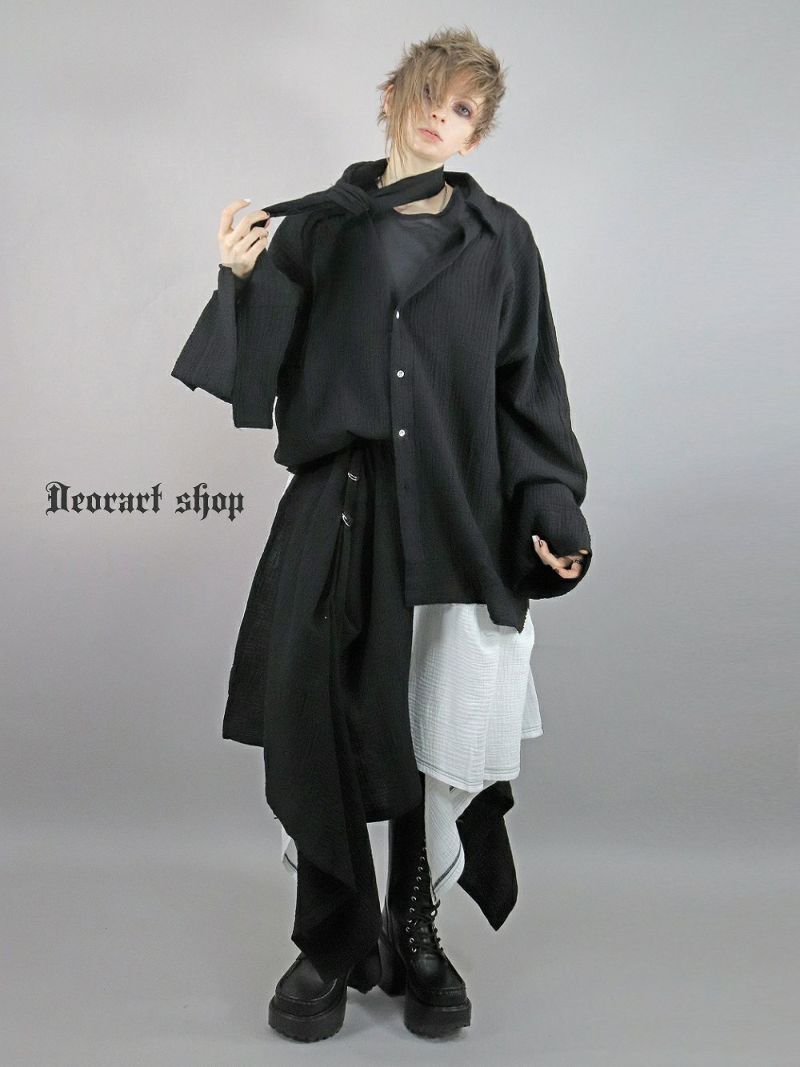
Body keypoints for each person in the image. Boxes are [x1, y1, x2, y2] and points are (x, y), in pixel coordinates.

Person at [172, 25, 592, 1043]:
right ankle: (328, 940)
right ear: (393, 99)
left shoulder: (501, 241)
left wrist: (551, 505)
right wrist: (237, 279)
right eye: (429, 95)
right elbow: (256, 372)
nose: (440, 116)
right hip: (338, 503)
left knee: (428, 725)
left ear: (475, 134)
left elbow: (527, 386)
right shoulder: (318, 229)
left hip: (453, 511)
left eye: (462, 109)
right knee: (316, 718)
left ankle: (413, 928)